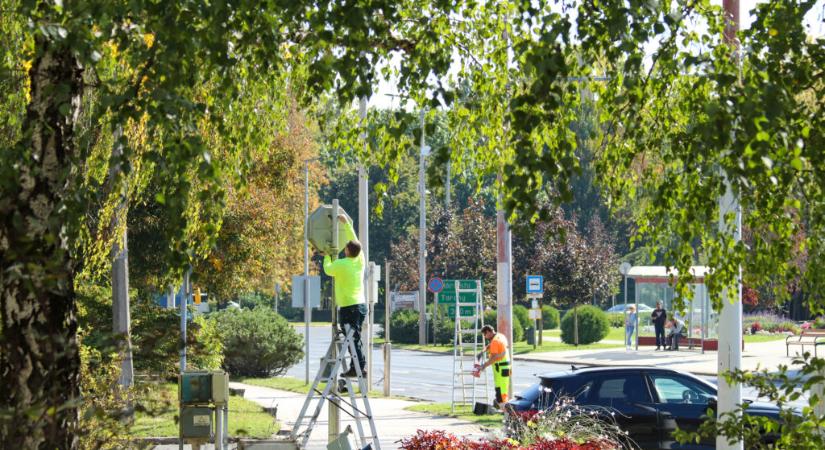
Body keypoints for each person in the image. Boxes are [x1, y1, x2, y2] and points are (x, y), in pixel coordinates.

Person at [321, 214, 367, 377]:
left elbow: (328, 269)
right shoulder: (360, 260)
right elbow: (354, 240)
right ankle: (359, 367)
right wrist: (346, 223)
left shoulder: (341, 264)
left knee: (351, 338)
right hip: (361, 305)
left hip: (349, 306)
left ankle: (359, 368)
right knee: (355, 338)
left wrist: (326, 254)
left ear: (347, 251)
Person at [474, 324, 510, 406]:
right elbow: (490, 346)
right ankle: (504, 409)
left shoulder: (495, 341)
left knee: (500, 391)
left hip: (500, 369)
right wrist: (483, 351)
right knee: (502, 390)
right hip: (505, 368)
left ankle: (505, 411)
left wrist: (483, 366)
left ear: (489, 332)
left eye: (485, 334)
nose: (485, 337)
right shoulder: (500, 336)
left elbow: (493, 358)